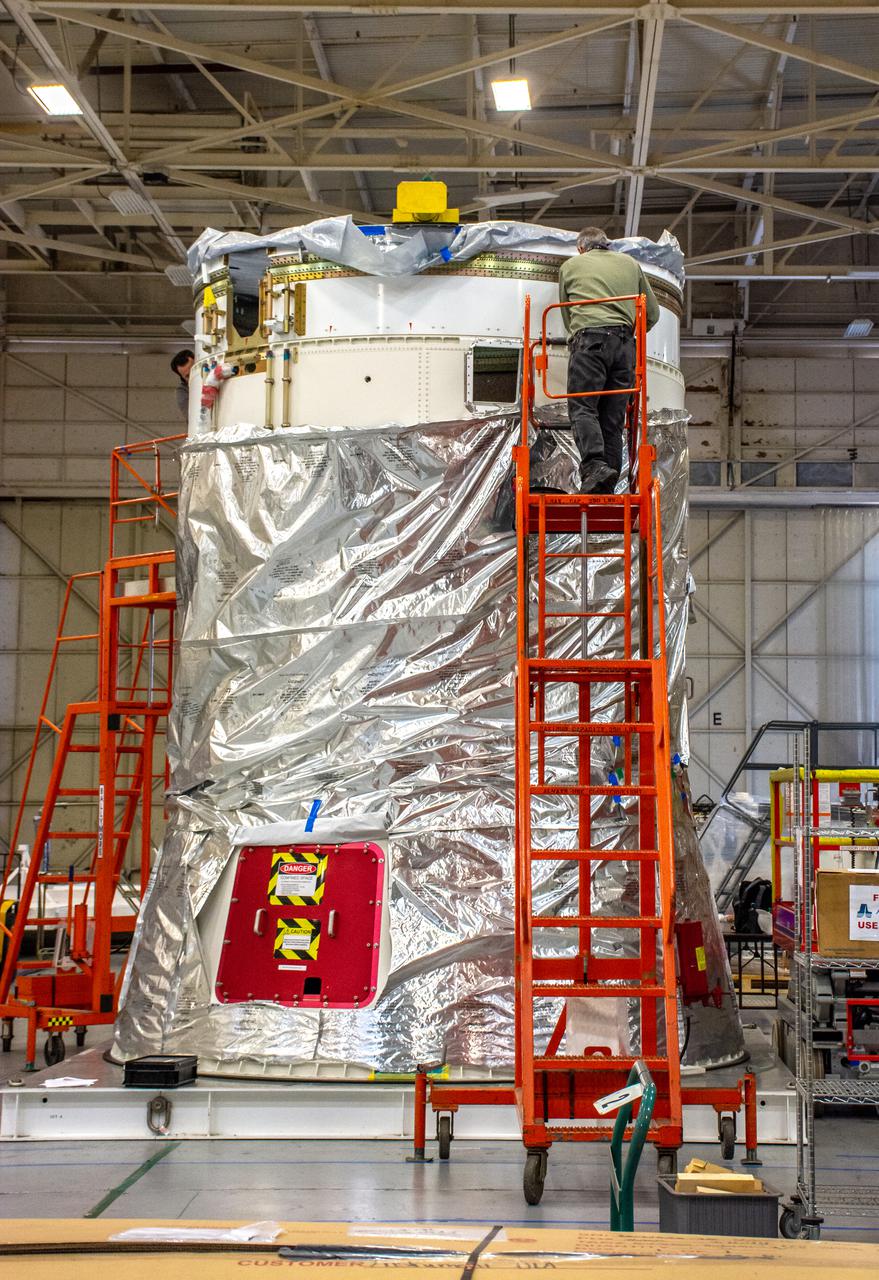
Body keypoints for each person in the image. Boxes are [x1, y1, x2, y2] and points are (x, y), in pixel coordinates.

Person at [559, 228, 660, 494]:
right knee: (612, 420)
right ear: (607, 244)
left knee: (583, 408)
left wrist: (580, 336)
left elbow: (568, 319)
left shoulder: (571, 266)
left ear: (581, 248)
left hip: (590, 343)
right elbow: (652, 313)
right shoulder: (630, 264)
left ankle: (595, 466)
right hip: (625, 347)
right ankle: (606, 487)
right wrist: (626, 334)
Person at [171, 348, 195, 421]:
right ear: (182, 377)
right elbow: (192, 417)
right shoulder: (182, 392)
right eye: (188, 376)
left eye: (194, 371)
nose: (193, 377)